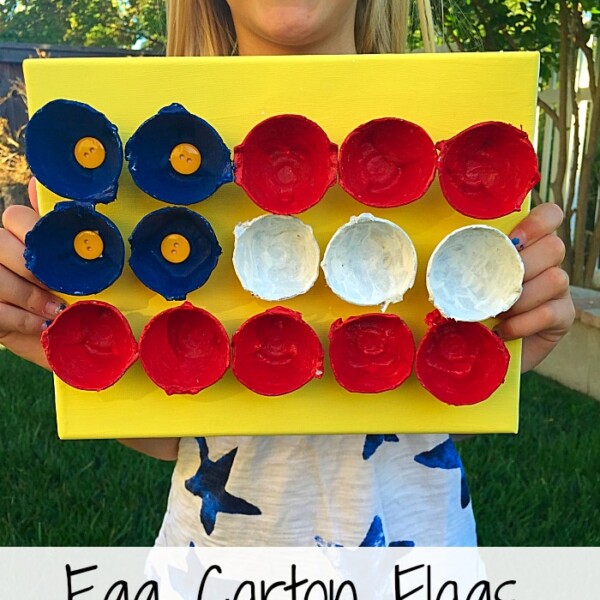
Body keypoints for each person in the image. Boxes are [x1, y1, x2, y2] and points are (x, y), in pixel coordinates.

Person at [0, 0, 575, 546]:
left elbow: (422, 425)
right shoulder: (151, 152)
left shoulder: (465, 120)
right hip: (219, 558)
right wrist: (47, 336)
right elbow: (174, 429)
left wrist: (514, 350)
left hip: (418, 550)